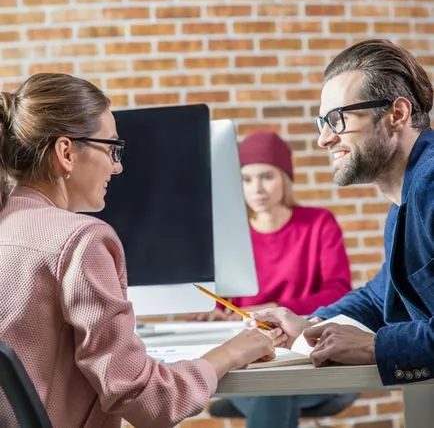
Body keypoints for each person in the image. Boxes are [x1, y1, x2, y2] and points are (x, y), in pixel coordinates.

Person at [0, 73, 286, 428]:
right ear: (66, 152)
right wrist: (232, 351)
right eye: (111, 148)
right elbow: (146, 400)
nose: (117, 166)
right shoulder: (81, 241)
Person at [249, 38, 434, 391]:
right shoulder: (405, 203)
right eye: (322, 121)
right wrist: (308, 322)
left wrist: (373, 346)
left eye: (337, 119)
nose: (323, 139)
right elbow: (381, 295)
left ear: (397, 114)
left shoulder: (431, 186)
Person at [194, 131, 353, 427]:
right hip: (250, 359)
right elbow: (223, 303)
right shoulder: (229, 235)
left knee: (273, 393)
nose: (257, 189)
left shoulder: (319, 224)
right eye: (246, 179)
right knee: (275, 392)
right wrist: (214, 313)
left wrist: (278, 306)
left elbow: (339, 292)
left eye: (267, 176)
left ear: (285, 178)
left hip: (307, 354)